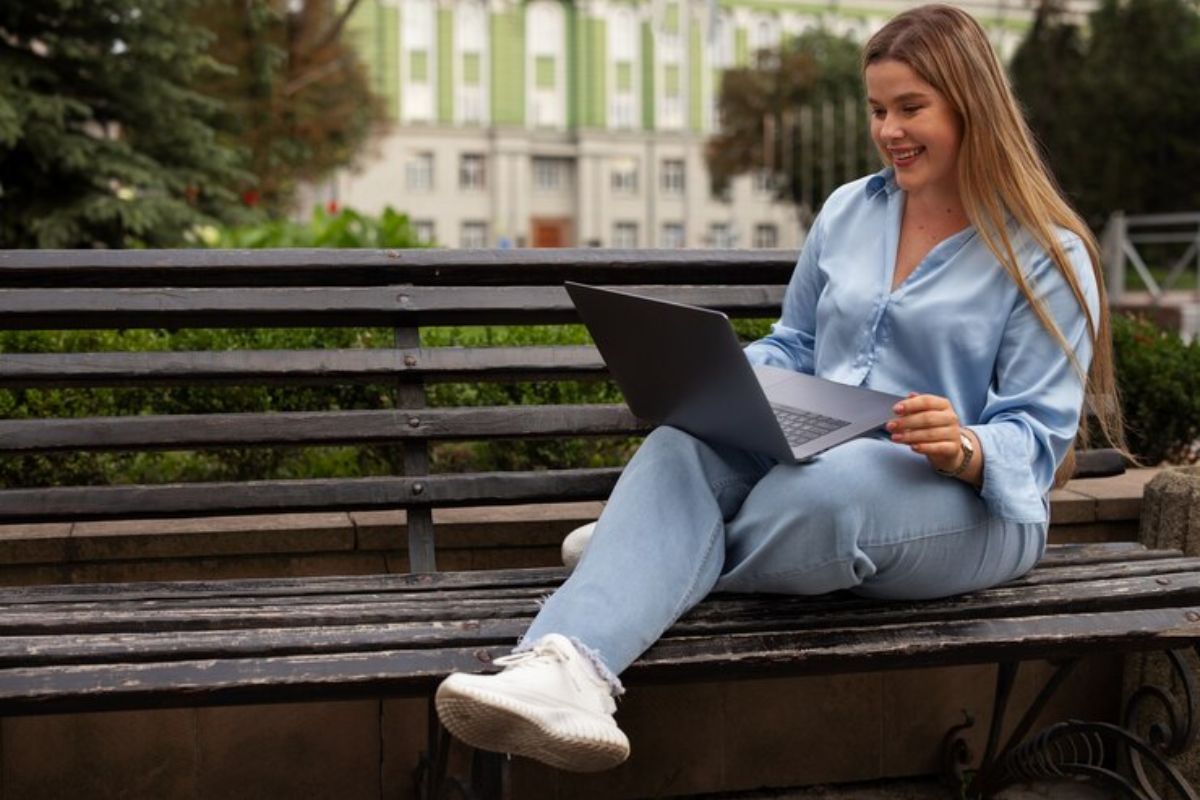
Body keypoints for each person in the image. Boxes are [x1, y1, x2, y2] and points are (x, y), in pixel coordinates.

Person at [434, 3, 1126, 773]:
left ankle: (642, 555)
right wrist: (732, 380)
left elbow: (1035, 441)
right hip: (821, 448)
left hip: (969, 504)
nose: (888, 129)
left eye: (910, 108)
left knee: (831, 496)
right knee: (681, 444)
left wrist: (961, 443)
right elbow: (797, 344)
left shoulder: (1046, 253)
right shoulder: (849, 211)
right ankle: (564, 672)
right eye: (876, 109)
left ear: (972, 106)